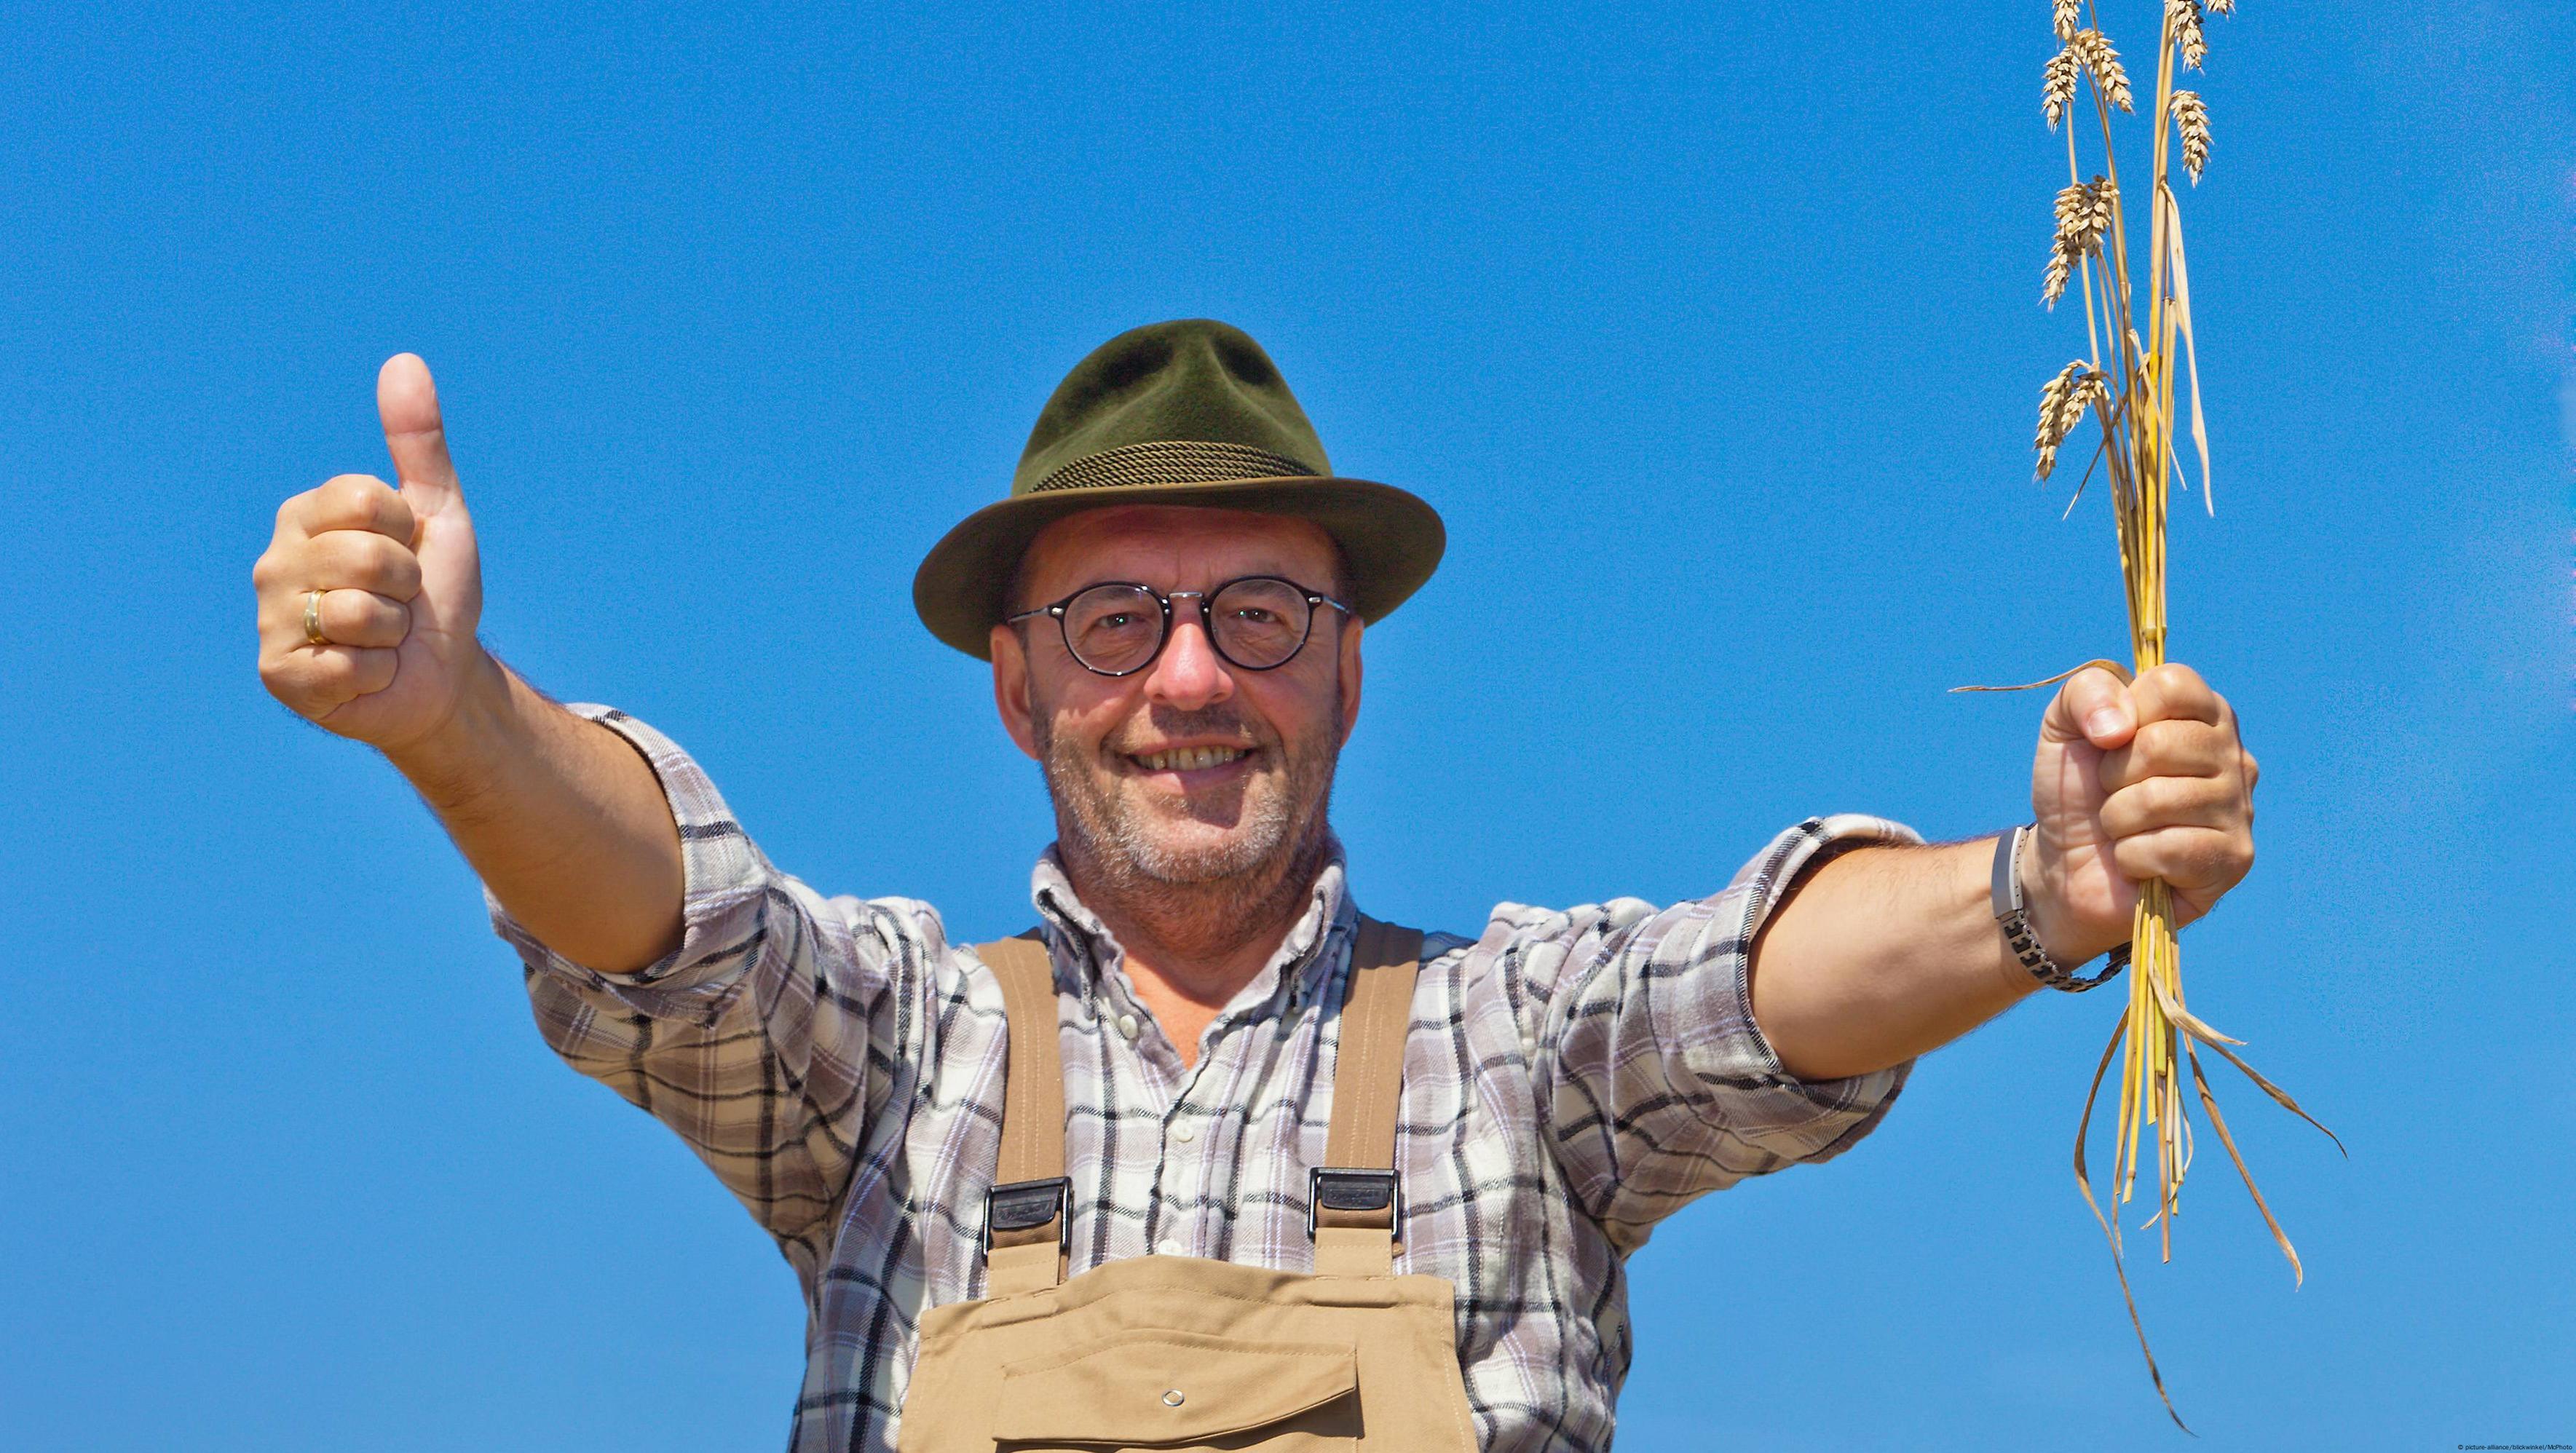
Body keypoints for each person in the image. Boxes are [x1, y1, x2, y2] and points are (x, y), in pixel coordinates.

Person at [250, 320, 2259, 1452]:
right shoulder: (896, 1059)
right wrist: (457, 721)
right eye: (1115, 617)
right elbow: (677, 932)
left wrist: (2038, 888)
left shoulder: (1509, 1041)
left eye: (1259, 610)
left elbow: (1741, 989)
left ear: (1349, 667)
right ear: (1018, 684)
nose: (1190, 677)